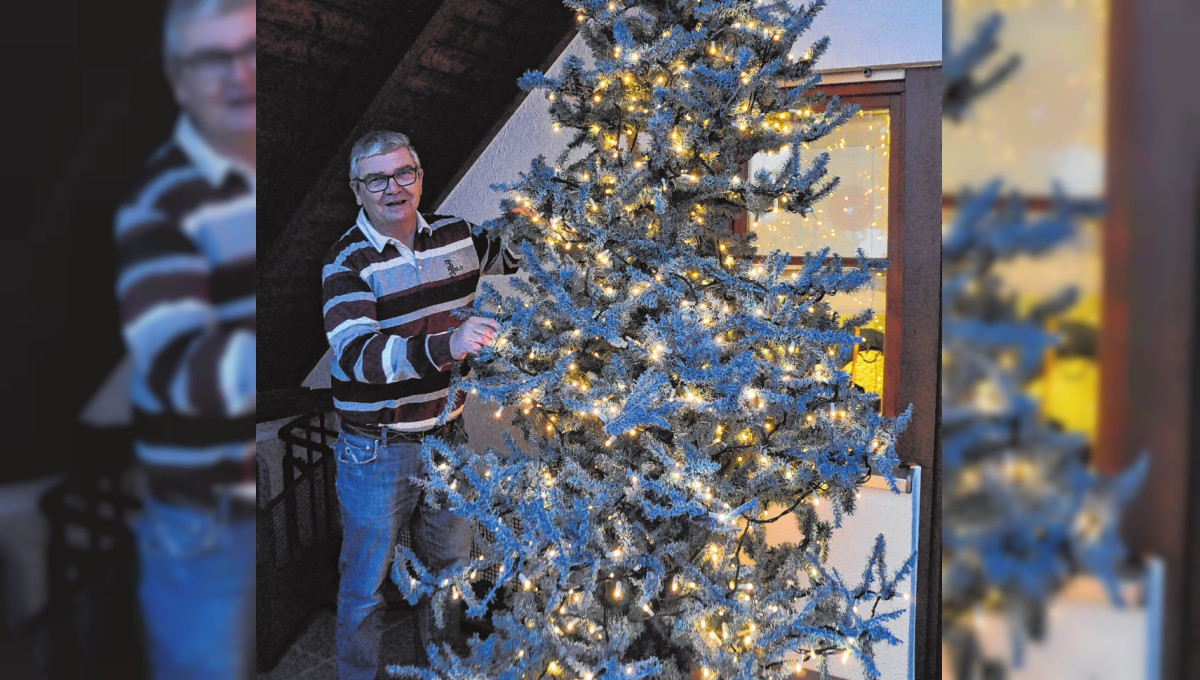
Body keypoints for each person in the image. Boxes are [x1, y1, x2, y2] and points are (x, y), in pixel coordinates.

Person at [321, 130, 519, 679]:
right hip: (376, 450)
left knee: (450, 572)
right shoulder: (347, 261)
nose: (393, 188)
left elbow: (520, 250)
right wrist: (446, 346)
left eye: (403, 173)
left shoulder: (458, 236)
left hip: (447, 441)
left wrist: (547, 209)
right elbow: (359, 354)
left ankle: (441, 671)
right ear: (357, 190)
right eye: (377, 179)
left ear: (420, 176)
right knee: (365, 588)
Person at [112, 0, 256, 677]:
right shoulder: (160, 202)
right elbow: (177, 366)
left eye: (250, 50)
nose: (239, 75)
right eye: (212, 58)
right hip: (201, 524)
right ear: (178, 78)